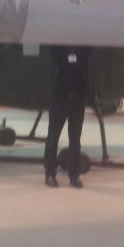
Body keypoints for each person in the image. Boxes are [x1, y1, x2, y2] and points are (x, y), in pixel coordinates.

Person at [43, 45, 92, 188]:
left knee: (75, 139)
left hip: (77, 99)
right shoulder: (57, 49)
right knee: (53, 137)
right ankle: (50, 174)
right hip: (59, 98)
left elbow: (92, 48)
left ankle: (74, 176)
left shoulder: (83, 51)